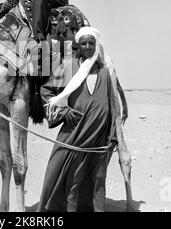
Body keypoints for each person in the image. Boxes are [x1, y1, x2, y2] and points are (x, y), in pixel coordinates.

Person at [37, 27, 119, 212]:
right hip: (76, 134)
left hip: (99, 137)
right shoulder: (69, 67)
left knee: (99, 180)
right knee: (72, 180)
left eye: (91, 43)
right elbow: (46, 90)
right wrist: (64, 111)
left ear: (96, 44)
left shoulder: (105, 71)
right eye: (84, 43)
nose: (88, 46)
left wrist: (113, 136)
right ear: (78, 46)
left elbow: (113, 106)